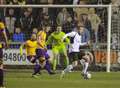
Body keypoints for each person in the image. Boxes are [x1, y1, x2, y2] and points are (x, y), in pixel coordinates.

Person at [0, 19, 8, 88]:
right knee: (0, 66)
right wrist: (6, 42)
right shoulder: (1, 24)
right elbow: (4, 33)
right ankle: (1, 85)